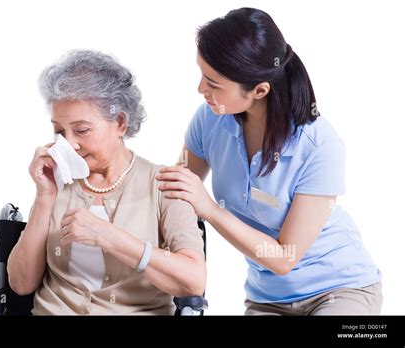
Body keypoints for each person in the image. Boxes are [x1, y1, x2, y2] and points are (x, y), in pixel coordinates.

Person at [156, 7, 382, 315]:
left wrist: (208, 208)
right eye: (202, 75)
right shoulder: (210, 120)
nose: (201, 89)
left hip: (339, 290)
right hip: (268, 299)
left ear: (259, 90)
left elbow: (283, 258)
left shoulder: (320, 146)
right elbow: (173, 193)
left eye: (213, 82)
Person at [7, 50, 206, 315]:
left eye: (82, 130)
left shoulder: (164, 185)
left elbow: (193, 280)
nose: (70, 143)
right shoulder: (57, 183)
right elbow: (21, 284)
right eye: (59, 131)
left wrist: (110, 237)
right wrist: (44, 197)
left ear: (120, 123)